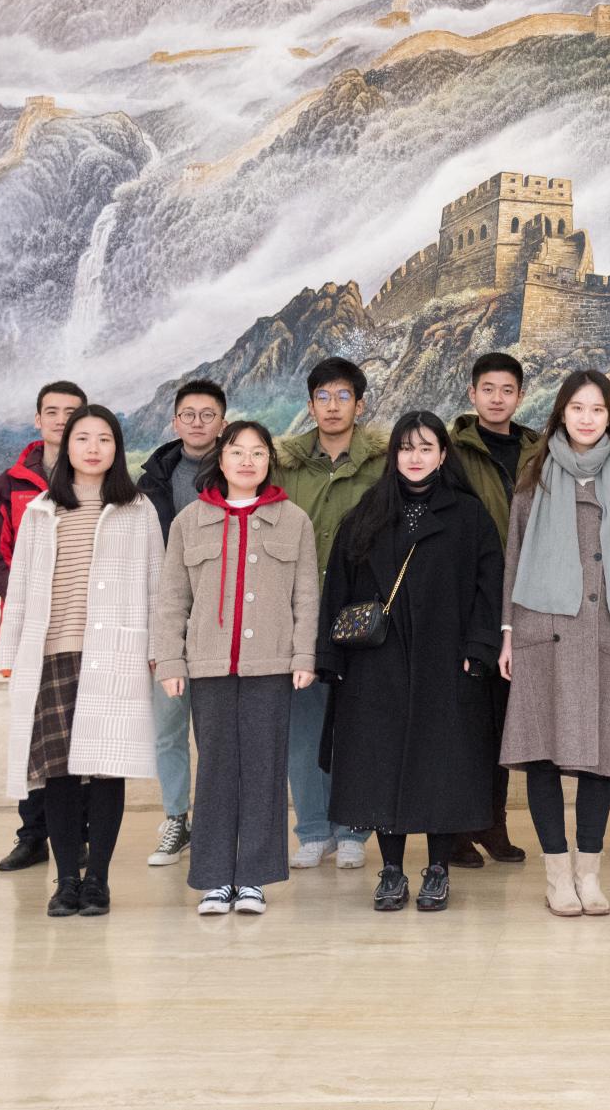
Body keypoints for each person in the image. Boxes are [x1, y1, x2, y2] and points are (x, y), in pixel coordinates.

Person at [321, 413, 504, 914]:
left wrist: (479, 649)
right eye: (406, 448)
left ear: (443, 455)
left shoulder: (469, 516)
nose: (415, 457)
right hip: (375, 666)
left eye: (426, 448)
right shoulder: (367, 512)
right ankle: (392, 870)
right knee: (383, 766)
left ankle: (438, 868)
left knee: (442, 766)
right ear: (393, 456)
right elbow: (338, 589)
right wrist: (331, 658)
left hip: (447, 664)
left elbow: (490, 589)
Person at [499, 371, 610, 916]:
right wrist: (507, 634)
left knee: (601, 760)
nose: (587, 418)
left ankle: (588, 875)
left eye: (597, 409)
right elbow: (514, 558)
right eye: (577, 408)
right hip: (542, 631)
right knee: (543, 757)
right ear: (560, 414)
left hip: (608, 633)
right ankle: (557, 876)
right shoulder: (535, 476)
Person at [0, 405, 162, 917]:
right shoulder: (42, 510)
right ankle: (67, 881)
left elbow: (157, 585)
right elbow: (20, 589)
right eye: (83, 438)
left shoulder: (138, 509)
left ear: (117, 449)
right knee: (59, 772)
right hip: (52, 653)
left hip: (114, 653)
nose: (93, 448)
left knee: (108, 769)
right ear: (66, 446)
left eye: (104, 439)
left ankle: (98, 882)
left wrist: (158, 651)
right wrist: (9, 653)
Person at [151, 421, 317, 915]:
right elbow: (172, 600)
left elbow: (307, 596)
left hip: (272, 664)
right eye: (237, 452)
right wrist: (171, 660)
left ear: (269, 462)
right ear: (220, 460)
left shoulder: (293, 520)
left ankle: (253, 879)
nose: (247, 461)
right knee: (216, 771)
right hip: (208, 666)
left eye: (258, 452)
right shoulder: (189, 521)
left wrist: (304, 656)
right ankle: (213, 878)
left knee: (265, 771)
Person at [274, 358, 389, 870]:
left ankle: (353, 830)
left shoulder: (382, 463)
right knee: (304, 728)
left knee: (359, 726)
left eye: (344, 396)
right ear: (310, 404)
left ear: (360, 405)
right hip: (300, 613)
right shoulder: (287, 465)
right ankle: (313, 829)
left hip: (362, 615)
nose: (333, 406)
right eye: (323, 396)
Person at [0, 379, 85, 872]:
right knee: (33, 728)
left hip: (81, 624)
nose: (61, 419)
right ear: (38, 419)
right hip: (28, 629)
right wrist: (29, 601)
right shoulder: (10, 484)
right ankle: (33, 835)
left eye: (71, 411)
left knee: (79, 729)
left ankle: (77, 835)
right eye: (53, 411)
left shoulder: (96, 479)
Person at [446, 352, 542, 868]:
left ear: (520, 396)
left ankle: (492, 823)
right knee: (465, 719)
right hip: (470, 598)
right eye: (488, 389)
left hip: (526, 598)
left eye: (507, 390)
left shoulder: (539, 451)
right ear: (472, 394)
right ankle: (456, 830)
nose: (498, 398)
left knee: (506, 719)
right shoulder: (453, 451)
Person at [135, 378, 227, 868]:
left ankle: (213, 821)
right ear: (175, 422)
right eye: (188, 414)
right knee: (169, 727)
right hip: (167, 614)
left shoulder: (238, 471)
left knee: (214, 732)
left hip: (221, 616)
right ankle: (177, 818)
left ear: (222, 423)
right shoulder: (152, 480)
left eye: (207, 414)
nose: (197, 422)